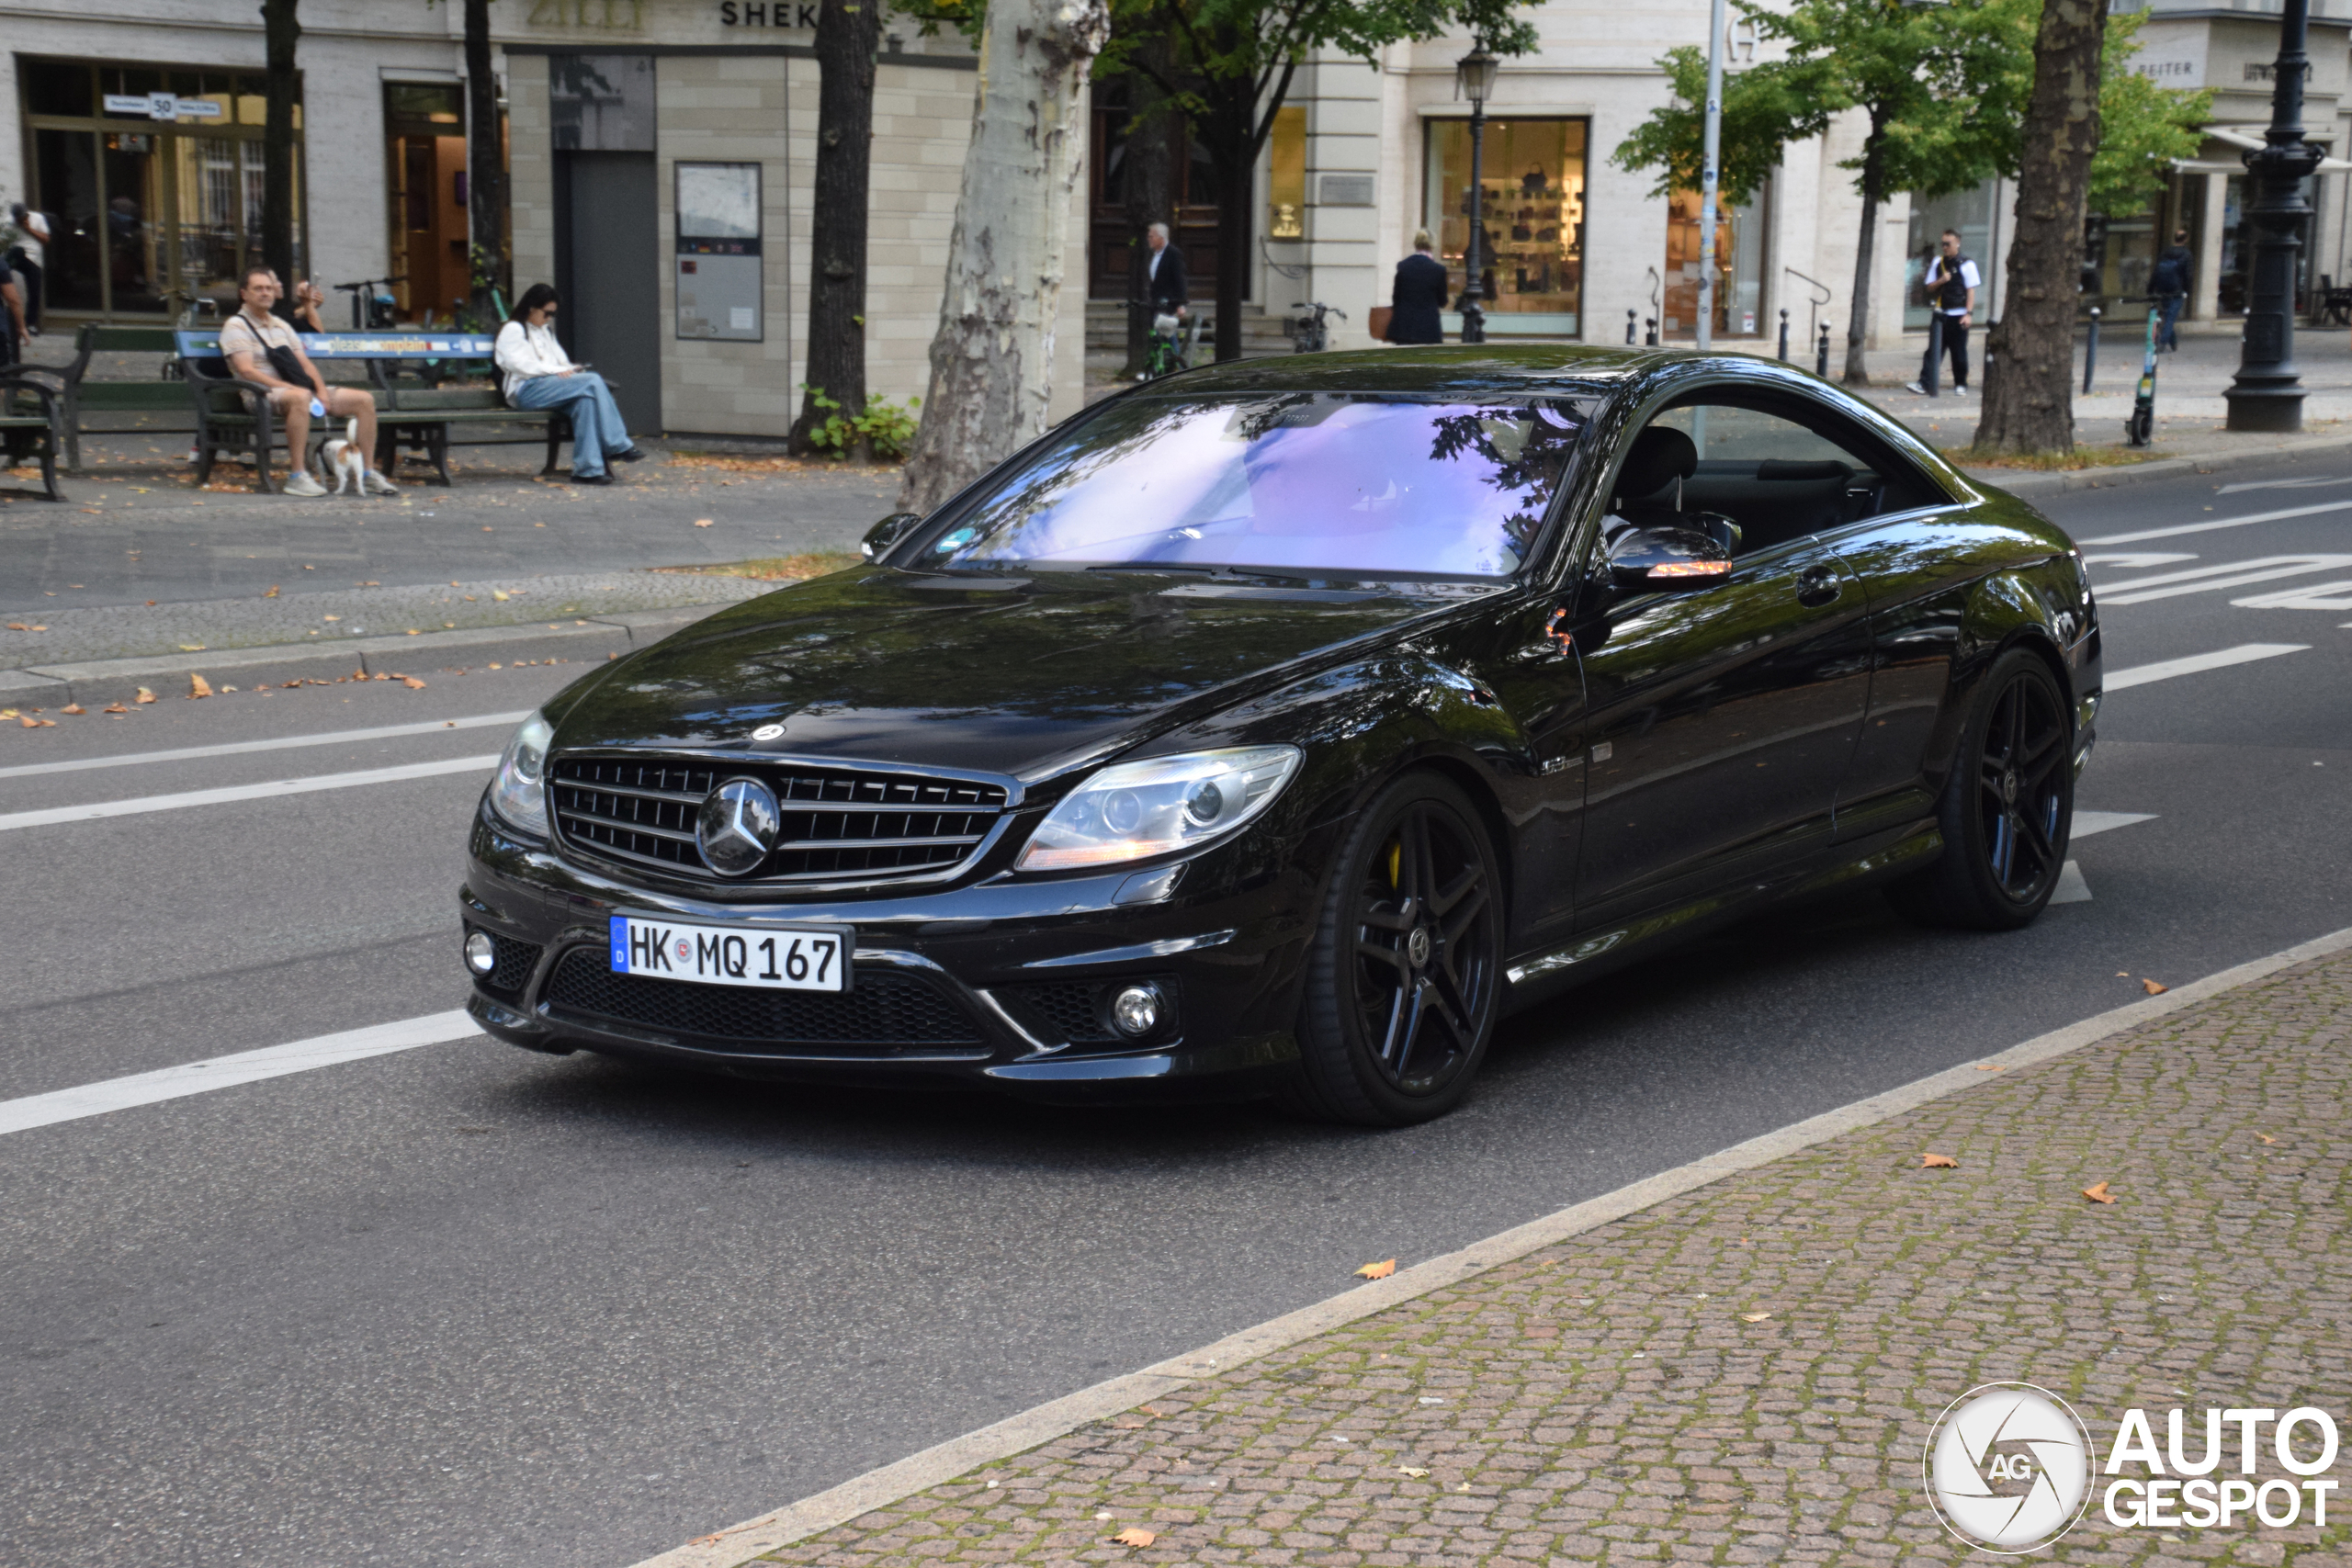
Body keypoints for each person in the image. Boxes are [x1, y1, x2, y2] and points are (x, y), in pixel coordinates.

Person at [220, 265, 392, 499]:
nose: (265, 293)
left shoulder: (281, 325)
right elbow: (247, 371)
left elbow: (306, 365)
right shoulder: (236, 326)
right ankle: (298, 476)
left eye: (269, 288)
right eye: (258, 288)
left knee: (364, 400)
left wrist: (320, 390)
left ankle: (367, 473)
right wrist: (293, 388)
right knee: (300, 397)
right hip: (260, 394)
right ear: (244, 294)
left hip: (299, 389)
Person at [494, 283, 644, 486]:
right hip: (526, 390)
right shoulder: (513, 328)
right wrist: (555, 370)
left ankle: (588, 470)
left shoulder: (545, 331)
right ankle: (617, 444)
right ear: (531, 307)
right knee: (593, 381)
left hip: (550, 386)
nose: (548, 319)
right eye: (546, 313)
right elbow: (518, 364)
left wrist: (573, 369)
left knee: (586, 401)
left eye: (552, 315)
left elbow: (560, 362)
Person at [1906, 229, 1979, 395]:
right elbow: (1929, 287)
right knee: (1933, 351)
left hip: (1958, 314)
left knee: (1958, 352)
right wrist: (1941, 280)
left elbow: (1970, 291)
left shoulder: (1967, 264)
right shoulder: (1938, 263)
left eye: (1948, 244)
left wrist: (1968, 314)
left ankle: (1960, 383)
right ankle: (1924, 383)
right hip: (1941, 313)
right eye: (1943, 244)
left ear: (1957, 243)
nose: (1945, 247)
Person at [1385, 230, 1448, 344]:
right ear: (1432, 246)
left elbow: (1396, 297)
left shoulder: (1403, 266)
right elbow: (1442, 301)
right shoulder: (1438, 270)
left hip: (1403, 327)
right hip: (1428, 328)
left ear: (1416, 244)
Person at [5, 203, 47, 336]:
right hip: (17, 257)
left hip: (33, 259)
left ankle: (30, 324)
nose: (20, 220)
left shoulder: (38, 219)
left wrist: (29, 229)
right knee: (17, 250)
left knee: (34, 291)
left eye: (22, 217)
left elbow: (46, 239)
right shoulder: (8, 222)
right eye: (17, 218)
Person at [2150, 229, 2193, 353]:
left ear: (2174, 238)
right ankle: (2162, 343)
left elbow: (2156, 271)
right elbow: (2188, 275)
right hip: (2177, 290)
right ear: (2185, 239)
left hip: (2164, 289)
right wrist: (2187, 290)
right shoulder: (2187, 254)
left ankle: (2173, 342)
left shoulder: (2165, 252)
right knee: (2170, 318)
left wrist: (2151, 288)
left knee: (2169, 316)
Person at [1144, 222, 1188, 320]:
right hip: (1156, 303)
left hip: (1168, 303)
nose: (1149, 239)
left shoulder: (1173, 254)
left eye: (1151, 237)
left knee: (1167, 332)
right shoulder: (1154, 254)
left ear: (1161, 238)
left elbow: (1180, 279)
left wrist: (1181, 304)